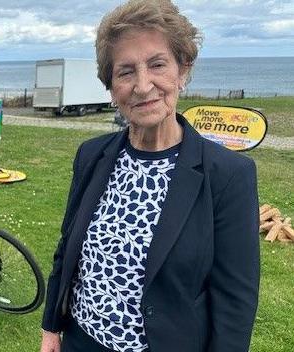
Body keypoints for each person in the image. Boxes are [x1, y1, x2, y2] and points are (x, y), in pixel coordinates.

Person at [40, 1, 259, 352]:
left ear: (182, 70)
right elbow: (68, 250)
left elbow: (236, 299)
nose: (143, 86)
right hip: (82, 342)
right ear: (111, 87)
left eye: (157, 64)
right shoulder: (91, 155)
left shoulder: (228, 175)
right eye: (125, 72)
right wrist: (52, 326)